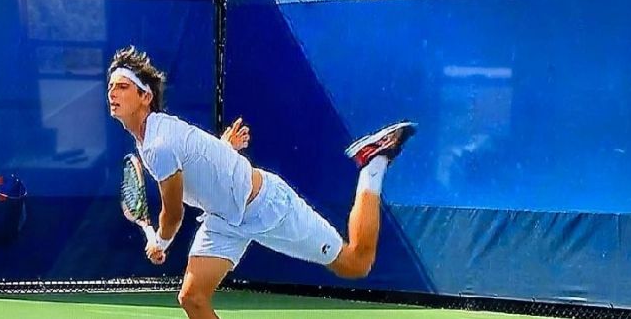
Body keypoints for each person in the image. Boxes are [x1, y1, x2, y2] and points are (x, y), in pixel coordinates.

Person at [107, 45, 416, 319]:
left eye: (122, 87)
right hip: (222, 219)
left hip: (265, 206)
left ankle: (372, 164)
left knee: (355, 263)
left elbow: (173, 215)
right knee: (193, 299)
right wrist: (225, 148)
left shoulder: (159, 143)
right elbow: (198, 156)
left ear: (145, 96)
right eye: (110, 87)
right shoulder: (149, 139)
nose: (112, 93)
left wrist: (160, 242)